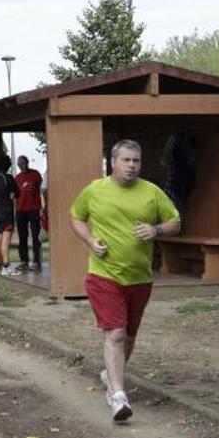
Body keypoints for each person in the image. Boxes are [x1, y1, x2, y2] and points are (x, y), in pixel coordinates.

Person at [70, 139, 181, 422]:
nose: (131, 165)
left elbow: (175, 222)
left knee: (129, 336)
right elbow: (76, 218)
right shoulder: (94, 190)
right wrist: (90, 240)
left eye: (136, 161)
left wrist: (156, 229)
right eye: (126, 160)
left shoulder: (151, 192)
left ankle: (111, 374)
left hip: (140, 278)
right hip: (103, 274)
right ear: (113, 162)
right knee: (115, 333)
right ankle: (118, 395)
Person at [0, 156, 20, 276]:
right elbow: (17, 192)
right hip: (6, 212)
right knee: (6, 240)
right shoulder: (7, 177)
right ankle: (6, 267)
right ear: (8, 166)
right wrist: (12, 195)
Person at [15, 155, 44, 271]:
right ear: (18, 166)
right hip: (20, 211)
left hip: (34, 210)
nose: (23, 166)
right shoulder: (17, 178)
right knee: (22, 237)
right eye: (20, 164)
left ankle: (37, 261)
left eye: (24, 163)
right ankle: (24, 261)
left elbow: (42, 188)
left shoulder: (35, 175)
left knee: (35, 236)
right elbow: (15, 196)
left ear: (28, 163)